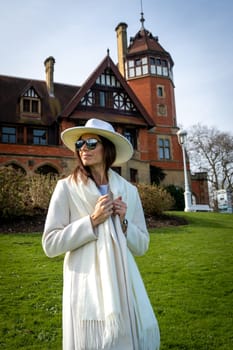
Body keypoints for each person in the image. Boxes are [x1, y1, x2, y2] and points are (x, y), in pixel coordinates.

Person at [42, 118, 160, 350]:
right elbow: (50, 243)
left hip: (124, 280)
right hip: (86, 282)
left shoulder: (129, 191)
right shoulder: (66, 188)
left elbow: (142, 245)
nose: (84, 148)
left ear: (107, 148)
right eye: (80, 144)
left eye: (92, 143)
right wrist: (92, 221)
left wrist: (124, 221)